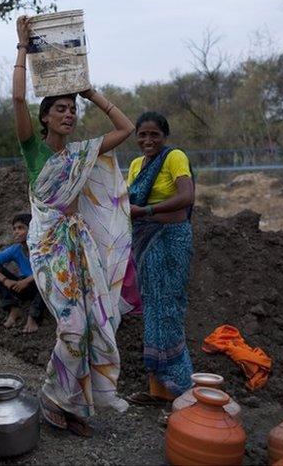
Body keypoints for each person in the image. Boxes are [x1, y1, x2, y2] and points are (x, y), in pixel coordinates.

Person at [12, 15, 135, 437]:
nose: (69, 114)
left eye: (72, 109)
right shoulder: (33, 151)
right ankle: (53, 396)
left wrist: (91, 92)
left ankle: (73, 404)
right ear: (44, 117)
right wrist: (22, 50)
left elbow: (127, 128)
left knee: (96, 321)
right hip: (48, 247)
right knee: (72, 325)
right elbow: (16, 103)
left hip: (78, 247)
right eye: (60, 109)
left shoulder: (81, 153)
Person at [124, 112, 196, 407]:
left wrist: (149, 213)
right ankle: (158, 391)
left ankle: (183, 391)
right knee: (152, 311)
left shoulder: (174, 157)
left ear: (164, 136)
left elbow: (186, 198)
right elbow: (127, 203)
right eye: (142, 135)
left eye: (154, 135)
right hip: (144, 241)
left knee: (169, 310)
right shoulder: (135, 165)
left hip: (171, 241)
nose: (147, 140)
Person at [0, 213, 44, 334]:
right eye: (14, 229)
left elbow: (48, 268)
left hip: (43, 288)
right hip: (24, 287)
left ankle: (33, 317)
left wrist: (26, 281)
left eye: (20, 228)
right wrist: (5, 281)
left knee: (46, 279)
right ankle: (13, 308)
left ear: (31, 228)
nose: (16, 232)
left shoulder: (42, 247)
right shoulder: (16, 249)